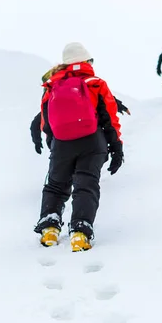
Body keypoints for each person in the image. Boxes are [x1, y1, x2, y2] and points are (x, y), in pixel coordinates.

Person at [33, 43, 123, 252]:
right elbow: (110, 118)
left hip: (62, 144)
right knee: (86, 185)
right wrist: (116, 148)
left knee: (55, 185)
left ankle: (49, 228)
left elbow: (46, 124)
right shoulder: (95, 83)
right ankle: (80, 233)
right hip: (92, 142)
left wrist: (55, 146)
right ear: (87, 61)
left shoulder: (52, 85)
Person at [30, 96, 130, 155]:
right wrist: (120, 106)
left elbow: (35, 124)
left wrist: (37, 142)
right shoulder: (81, 99)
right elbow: (103, 98)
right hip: (83, 139)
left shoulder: (50, 108)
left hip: (56, 143)